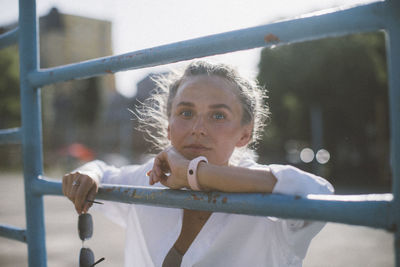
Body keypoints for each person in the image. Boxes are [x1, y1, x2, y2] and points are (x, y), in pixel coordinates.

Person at [62, 61, 334, 267]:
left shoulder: (264, 192)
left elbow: (318, 195)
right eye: (186, 112)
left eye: (218, 115)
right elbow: (101, 169)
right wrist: (88, 173)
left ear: (245, 133)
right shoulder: (146, 179)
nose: (198, 128)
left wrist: (195, 174)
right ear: (169, 126)